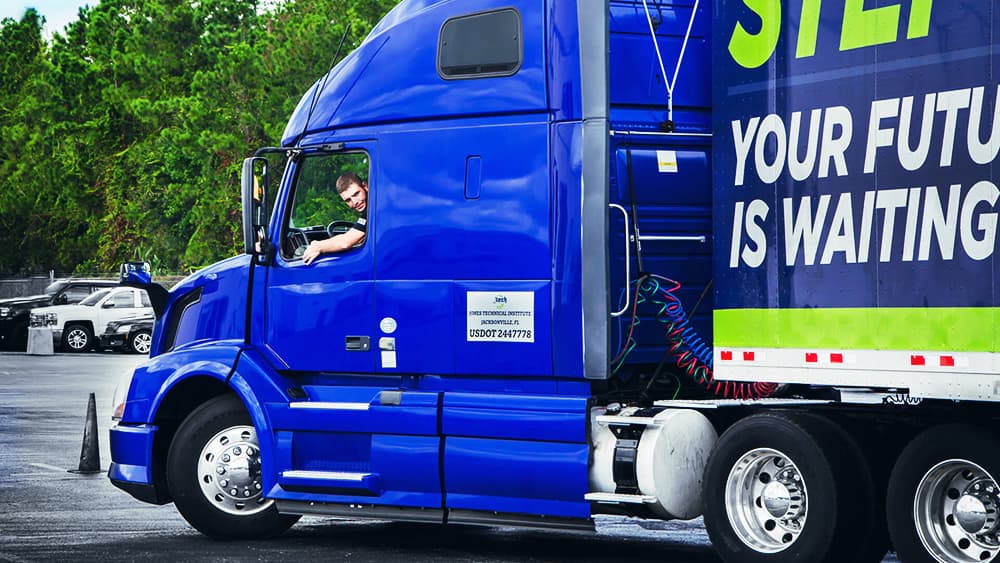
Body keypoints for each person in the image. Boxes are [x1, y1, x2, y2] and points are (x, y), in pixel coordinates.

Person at [302, 172, 369, 265]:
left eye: (356, 194)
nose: (354, 202)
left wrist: (317, 246)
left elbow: (345, 242)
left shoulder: (375, 209)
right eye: (348, 200)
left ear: (365, 186)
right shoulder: (369, 213)